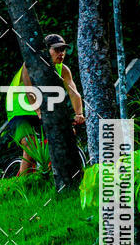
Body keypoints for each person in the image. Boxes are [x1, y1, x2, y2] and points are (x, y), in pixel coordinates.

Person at [5, 33, 85, 176]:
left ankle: (54, 171)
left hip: (41, 105)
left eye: (63, 50)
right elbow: (29, 91)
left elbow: (74, 93)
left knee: (68, 131)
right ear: (46, 50)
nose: (61, 53)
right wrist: (39, 112)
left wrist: (79, 114)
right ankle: (22, 184)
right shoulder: (30, 63)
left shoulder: (64, 69)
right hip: (19, 106)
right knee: (30, 146)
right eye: (57, 50)